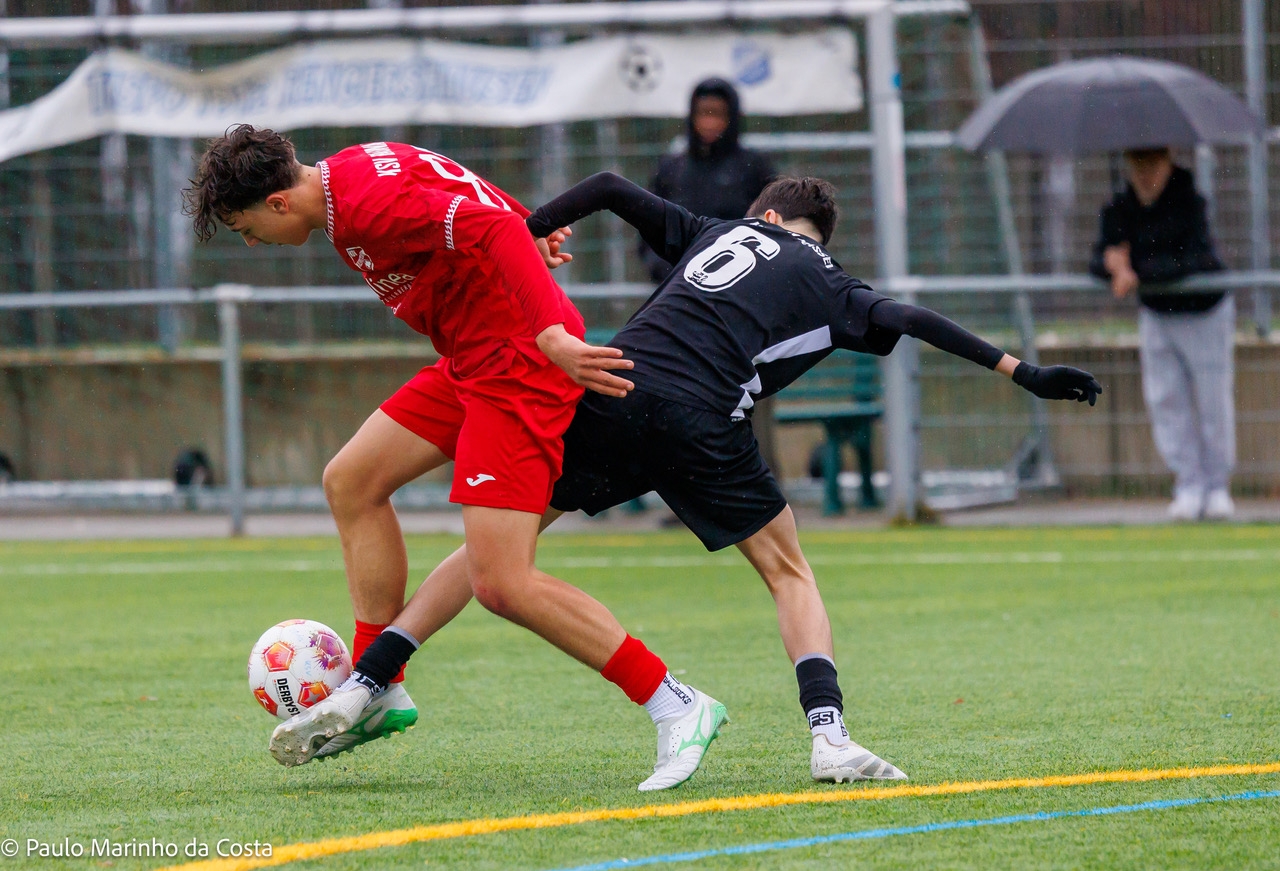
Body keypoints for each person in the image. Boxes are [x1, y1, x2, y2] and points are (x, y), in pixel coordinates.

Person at [332, 173, 1102, 787]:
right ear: (814, 233)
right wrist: (1023, 371)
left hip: (615, 391)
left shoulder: (719, 230)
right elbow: (913, 319)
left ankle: (371, 675)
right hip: (702, 424)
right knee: (788, 572)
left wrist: (527, 233)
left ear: (763, 214)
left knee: (502, 543)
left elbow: (608, 186)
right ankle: (829, 736)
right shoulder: (834, 282)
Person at [183, 126, 730, 792]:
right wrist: (533, 227)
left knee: (502, 582)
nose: (251, 243)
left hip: (518, 363)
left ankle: (674, 701)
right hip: (473, 358)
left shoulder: (366, 205)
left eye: (246, 229)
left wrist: (548, 327)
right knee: (351, 481)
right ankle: (378, 684)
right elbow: (465, 193)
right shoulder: (350, 170)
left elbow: (489, 229)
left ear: (277, 202)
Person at [643, 77, 781, 482]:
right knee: (680, 399)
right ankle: (687, 491)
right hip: (679, 309)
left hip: (743, 311)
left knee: (750, 399)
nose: (709, 122)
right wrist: (667, 271)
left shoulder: (754, 169)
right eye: (702, 113)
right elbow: (649, 230)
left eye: (717, 113)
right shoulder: (672, 169)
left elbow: (774, 232)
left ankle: (762, 491)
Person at [1089, 147, 1233, 521]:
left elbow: (1194, 259)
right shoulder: (1119, 208)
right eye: (1138, 164)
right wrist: (1113, 264)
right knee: (1165, 400)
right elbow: (1100, 258)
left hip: (1203, 313)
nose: (1146, 173)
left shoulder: (1189, 201)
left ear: (1168, 161)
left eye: (1153, 163)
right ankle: (1188, 485)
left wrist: (1137, 271)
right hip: (1157, 314)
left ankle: (1217, 487)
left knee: (1212, 401)